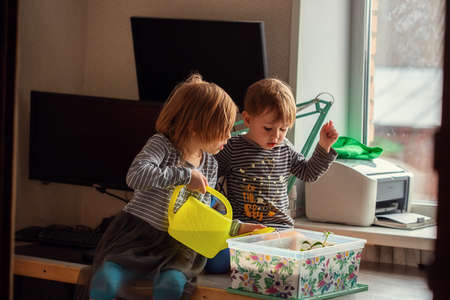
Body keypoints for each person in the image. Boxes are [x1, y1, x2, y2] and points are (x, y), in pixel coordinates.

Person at [82, 74, 265, 300]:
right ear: (196, 126)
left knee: (170, 286)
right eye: (223, 128)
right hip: (138, 237)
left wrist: (236, 228)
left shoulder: (210, 164)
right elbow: (136, 175)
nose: (229, 135)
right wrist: (185, 176)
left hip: (178, 248)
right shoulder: (162, 145)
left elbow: (203, 217)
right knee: (105, 281)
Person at [215, 78, 339, 230]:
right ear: (247, 119)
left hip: (281, 227)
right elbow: (208, 174)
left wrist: (324, 146)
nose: (275, 136)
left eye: (283, 129)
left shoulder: (285, 148)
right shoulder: (232, 147)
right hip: (245, 229)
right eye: (268, 128)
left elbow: (309, 173)